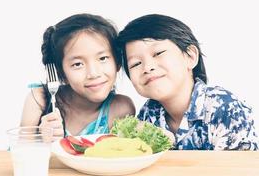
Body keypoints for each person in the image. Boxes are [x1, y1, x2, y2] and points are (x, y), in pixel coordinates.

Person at [116, 14, 258, 150]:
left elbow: (240, 169)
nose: (147, 67)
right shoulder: (149, 113)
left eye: (158, 53)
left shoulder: (224, 107)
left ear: (190, 56)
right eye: (136, 64)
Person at [21, 13, 135, 138]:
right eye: (77, 64)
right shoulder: (39, 99)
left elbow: (120, 153)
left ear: (117, 61)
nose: (93, 73)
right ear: (61, 73)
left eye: (103, 58)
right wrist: (41, 140)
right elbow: (18, 151)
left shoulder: (121, 108)